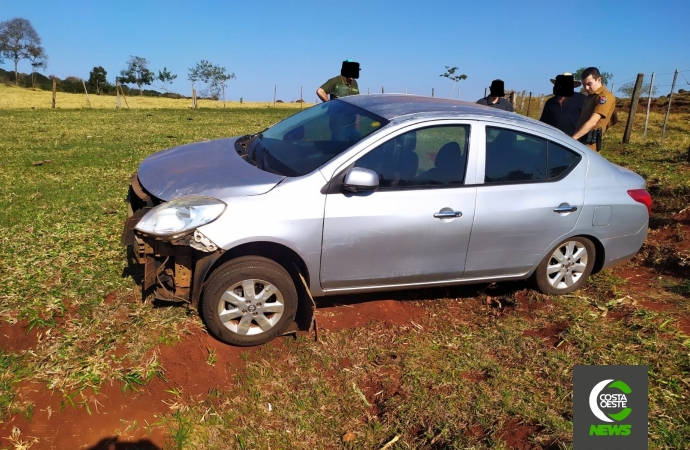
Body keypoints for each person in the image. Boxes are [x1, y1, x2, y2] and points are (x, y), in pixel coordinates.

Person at [572, 67, 616, 151]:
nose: (586, 88)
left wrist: (572, 139)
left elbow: (593, 122)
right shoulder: (590, 97)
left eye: (589, 84)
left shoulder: (604, 97)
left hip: (589, 145)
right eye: (584, 85)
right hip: (579, 141)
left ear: (599, 80)